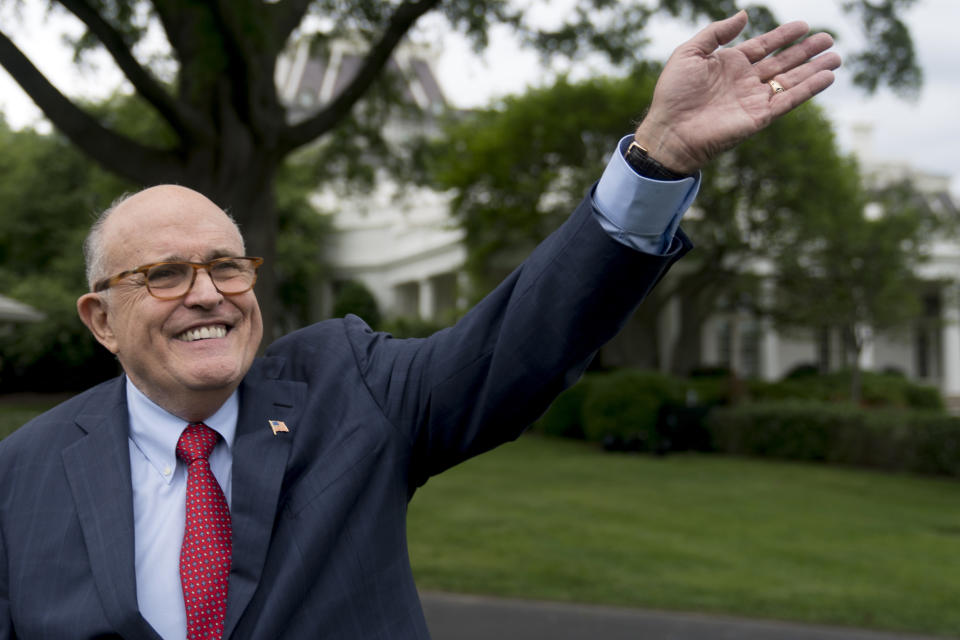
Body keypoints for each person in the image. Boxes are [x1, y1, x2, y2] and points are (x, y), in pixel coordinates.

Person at [0, 11, 839, 640]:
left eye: (227, 265)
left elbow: (520, 342)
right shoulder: (22, 475)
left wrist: (655, 161)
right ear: (100, 319)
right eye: (165, 275)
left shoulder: (348, 387)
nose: (208, 294)